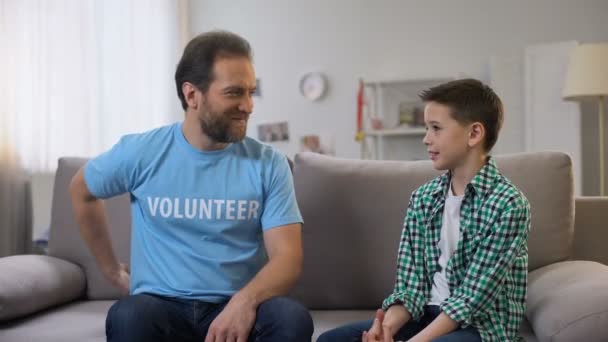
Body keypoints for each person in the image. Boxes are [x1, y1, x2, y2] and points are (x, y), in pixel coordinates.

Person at [69, 30, 313, 342]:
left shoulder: (270, 164)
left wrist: (244, 302)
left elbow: (287, 259)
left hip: (236, 305)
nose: (248, 105)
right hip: (160, 306)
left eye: (251, 92)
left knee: (290, 318)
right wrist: (112, 271)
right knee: (128, 316)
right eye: (234, 93)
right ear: (191, 95)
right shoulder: (142, 152)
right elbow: (81, 190)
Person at [318, 79, 531, 342]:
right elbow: (411, 285)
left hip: (478, 326)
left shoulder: (509, 205)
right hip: (424, 317)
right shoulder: (423, 198)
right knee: (330, 340)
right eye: (426, 128)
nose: (426, 138)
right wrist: (387, 327)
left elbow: (471, 299)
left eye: (436, 128)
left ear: (474, 134)